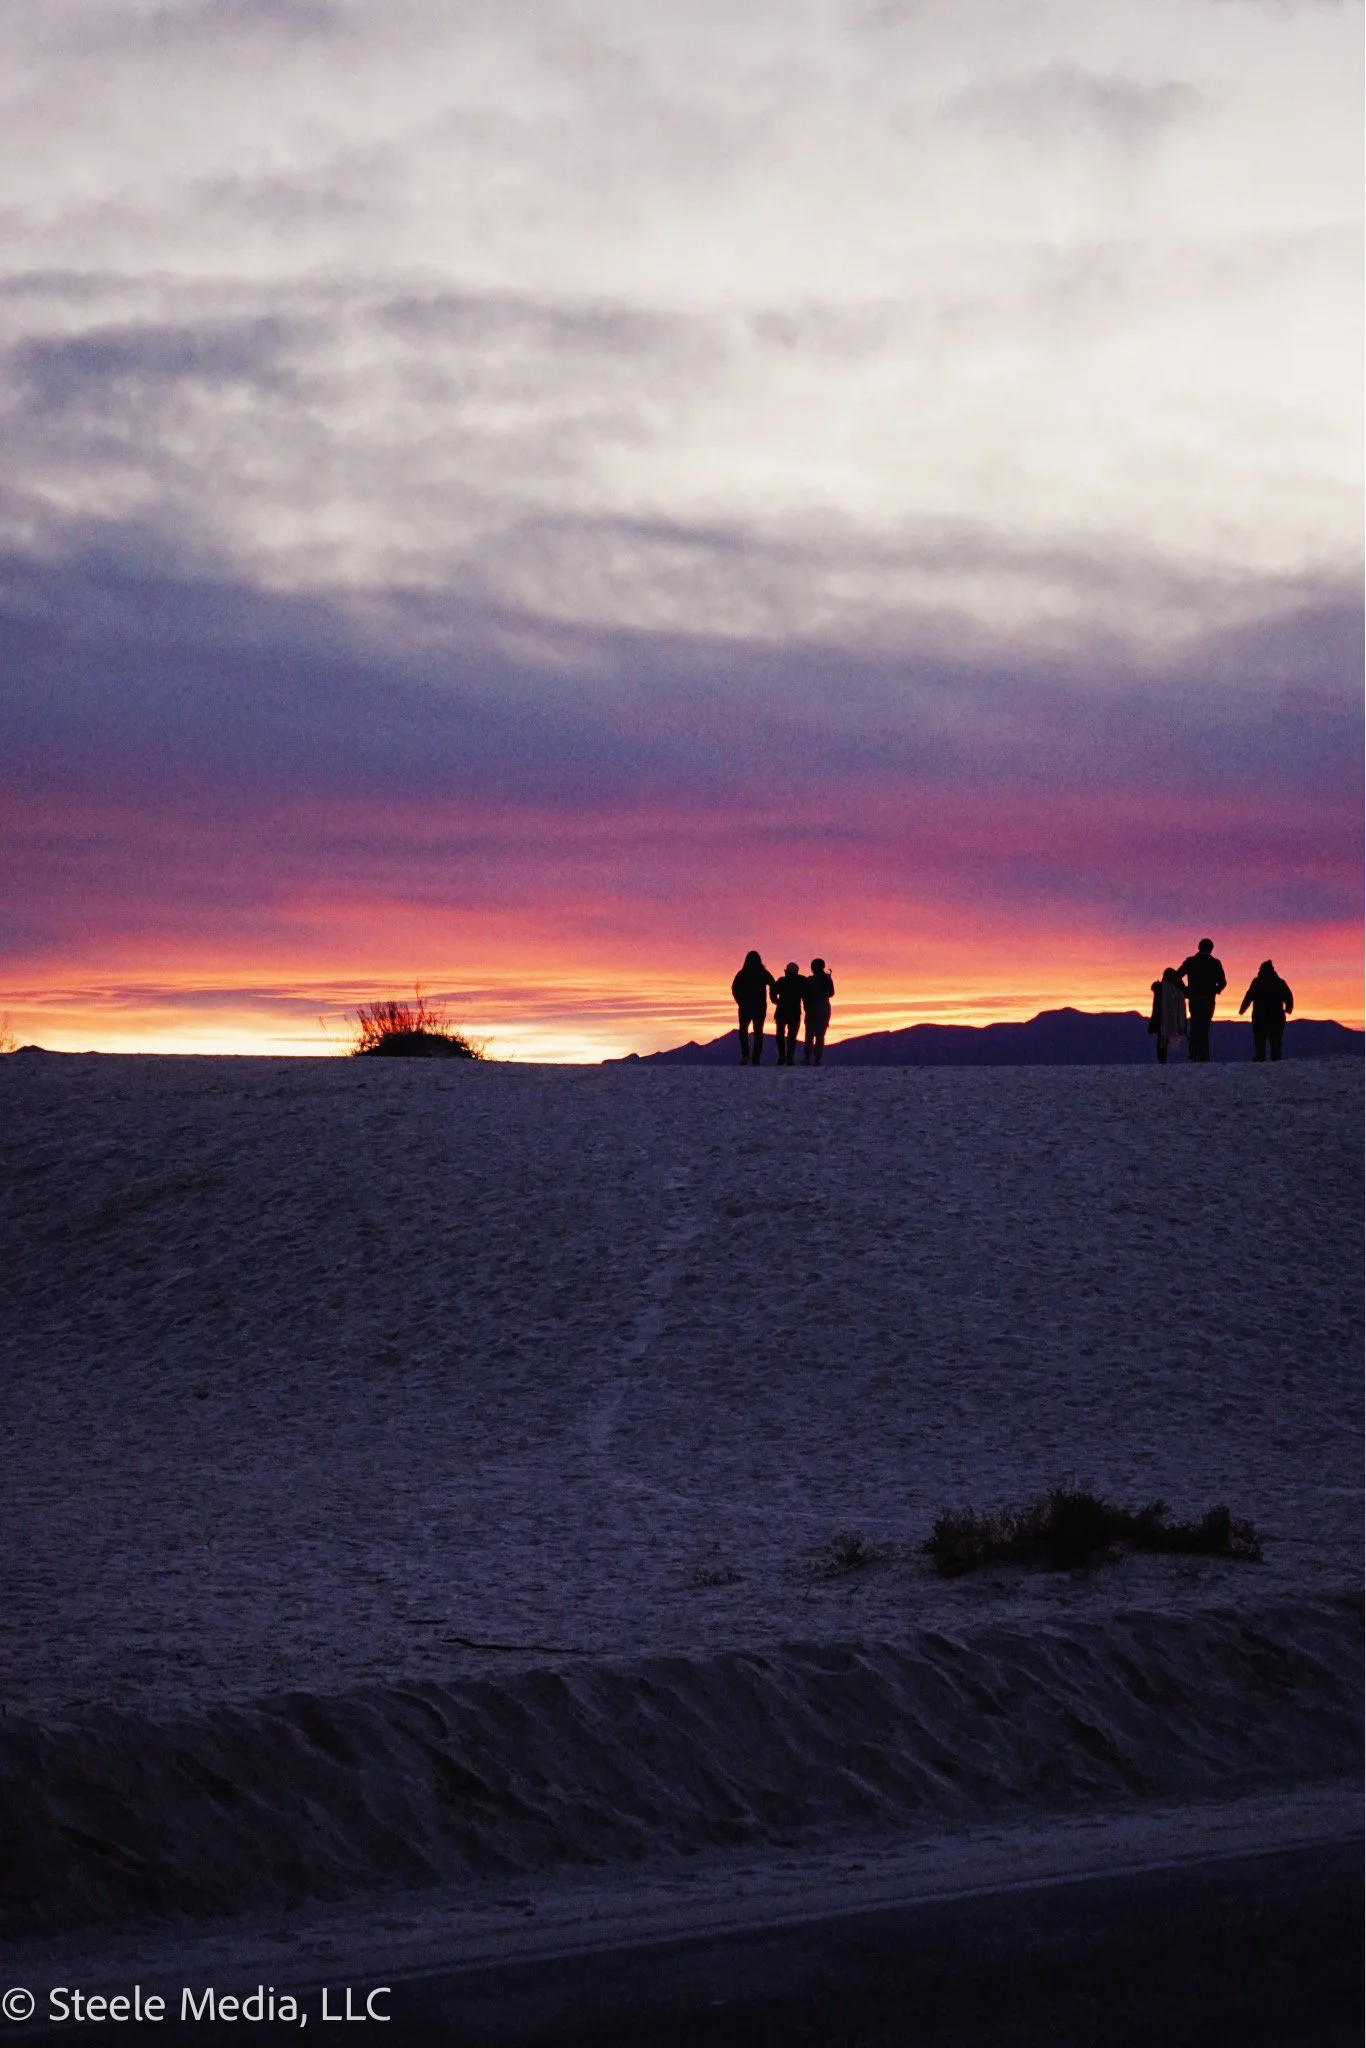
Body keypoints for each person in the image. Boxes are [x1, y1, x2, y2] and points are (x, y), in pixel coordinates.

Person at [1177, 937, 1226, 1063]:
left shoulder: (1190, 961)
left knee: (1194, 1025)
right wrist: (1214, 991)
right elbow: (1222, 982)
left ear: (1199, 947)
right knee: (1204, 1027)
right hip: (1208, 1000)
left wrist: (1186, 991)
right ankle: (1203, 1056)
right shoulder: (1215, 963)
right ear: (1211, 949)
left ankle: (1193, 1054)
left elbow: (1177, 976)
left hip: (1194, 999)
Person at [1239, 960, 1294, 1062]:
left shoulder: (1257, 982)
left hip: (1260, 1017)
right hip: (1276, 1017)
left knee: (1260, 1040)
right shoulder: (1279, 982)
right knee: (1276, 1040)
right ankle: (1276, 1060)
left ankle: (1260, 1059)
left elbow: (1249, 996)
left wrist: (1242, 1009)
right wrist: (1288, 1009)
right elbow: (1288, 996)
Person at [730, 950, 777, 1065]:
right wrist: (773, 997)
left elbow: (734, 988)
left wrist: (740, 1001)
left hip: (745, 1006)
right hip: (759, 1007)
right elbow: (773, 984)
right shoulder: (763, 973)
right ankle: (756, 1058)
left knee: (743, 1030)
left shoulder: (742, 973)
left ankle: (745, 1054)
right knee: (758, 1032)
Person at [1148, 968, 1188, 1064]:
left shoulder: (1160, 989)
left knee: (1162, 1040)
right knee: (1163, 1040)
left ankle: (1162, 1061)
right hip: (1168, 1018)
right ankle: (1162, 1061)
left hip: (1160, 1018)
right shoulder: (1174, 989)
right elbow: (1186, 993)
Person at [801, 957, 835, 1065]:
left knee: (809, 1034)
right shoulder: (827, 979)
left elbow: (805, 995)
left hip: (812, 1009)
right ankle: (817, 1058)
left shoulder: (810, 980)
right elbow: (831, 993)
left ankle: (807, 1057)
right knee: (820, 1035)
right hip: (824, 1009)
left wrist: (806, 1006)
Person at [772, 962, 804, 1066]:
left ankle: (782, 1058)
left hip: (781, 1011)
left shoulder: (782, 981)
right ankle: (789, 1059)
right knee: (792, 1037)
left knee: (780, 1035)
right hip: (794, 1012)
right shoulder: (801, 981)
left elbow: (773, 990)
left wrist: (776, 1001)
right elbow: (807, 993)